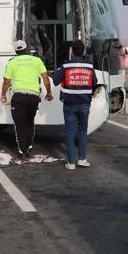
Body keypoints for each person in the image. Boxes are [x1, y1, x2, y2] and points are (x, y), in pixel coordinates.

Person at [1, 39, 53, 156]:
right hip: (33, 97)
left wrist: (3, 95)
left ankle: (23, 149)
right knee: (29, 121)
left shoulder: (12, 62)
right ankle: (28, 145)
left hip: (19, 97)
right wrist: (48, 93)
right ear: (26, 49)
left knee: (20, 124)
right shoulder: (37, 60)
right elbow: (46, 79)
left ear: (16, 51)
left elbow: (7, 81)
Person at [52, 40, 98, 170]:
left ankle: (71, 162)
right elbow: (95, 82)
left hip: (69, 104)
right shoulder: (89, 66)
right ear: (83, 51)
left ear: (72, 51)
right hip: (84, 103)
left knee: (70, 132)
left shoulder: (66, 66)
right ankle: (82, 159)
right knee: (83, 131)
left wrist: (57, 71)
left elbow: (55, 81)